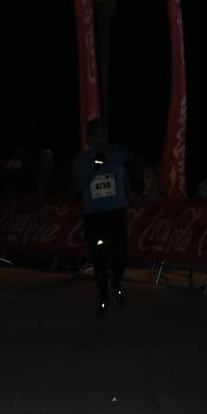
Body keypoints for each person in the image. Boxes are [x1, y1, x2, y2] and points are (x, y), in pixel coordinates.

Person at [72, 117, 134, 313]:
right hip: (95, 217)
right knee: (99, 256)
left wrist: (110, 152)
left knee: (120, 256)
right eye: (98, 135)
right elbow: (77, 187)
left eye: (105, 134)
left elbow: (129, 155)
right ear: (90, 138)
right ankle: (103, 298)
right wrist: (95, 167)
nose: (102, 139)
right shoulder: (82, 159)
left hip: (114, 213)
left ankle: (115, 283)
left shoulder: (116, 153)